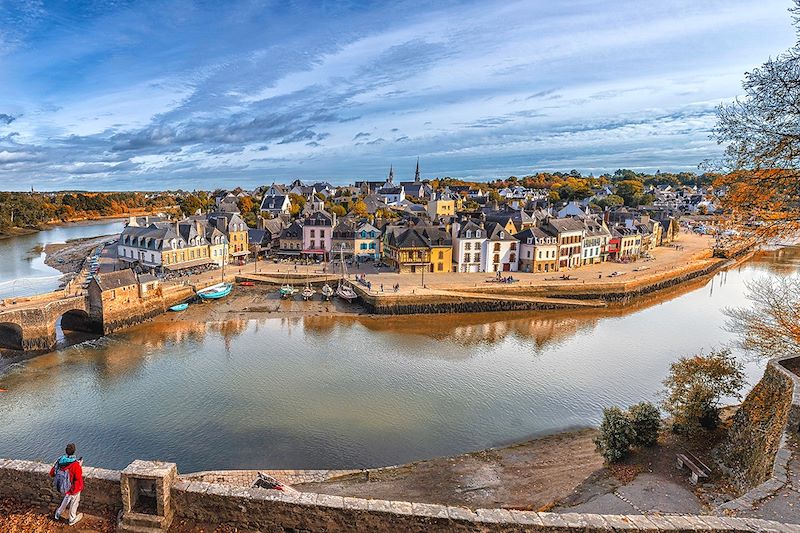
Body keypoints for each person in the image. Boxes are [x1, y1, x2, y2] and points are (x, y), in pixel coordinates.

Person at [50, 443, 84, 525]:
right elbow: (78, 477)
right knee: (74, 502)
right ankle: (72, 519)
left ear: (66, 451)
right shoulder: (75, 464)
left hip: (64, 486)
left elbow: (52, 473)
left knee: (67, 498)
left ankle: (58, 513)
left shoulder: (60, 460)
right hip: (74, 487)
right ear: (74, 451)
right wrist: (79, 465)